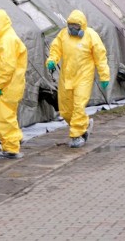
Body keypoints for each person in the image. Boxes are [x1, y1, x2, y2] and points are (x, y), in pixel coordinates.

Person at [46, 10, 110, 149]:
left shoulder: (91, 36)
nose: (73, 28)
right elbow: (55, 49)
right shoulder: (63, 34)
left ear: (82, 26)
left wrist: (104, 75)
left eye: (76, 26)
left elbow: (100, 57)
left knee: (78, 106)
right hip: (66, 77)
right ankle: (84, 125)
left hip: (84, 77)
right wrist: (52, 60)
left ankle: (76, 135)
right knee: (65, 110)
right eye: (71, 25)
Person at [0, 9, 28, 159]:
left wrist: (0, 84)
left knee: (4, 117)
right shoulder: (2, 39)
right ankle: (13, 138)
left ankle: (11, 149)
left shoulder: (8, 39)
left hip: (8, 86)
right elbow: (0, 61)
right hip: (0, 85)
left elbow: (9, 66)